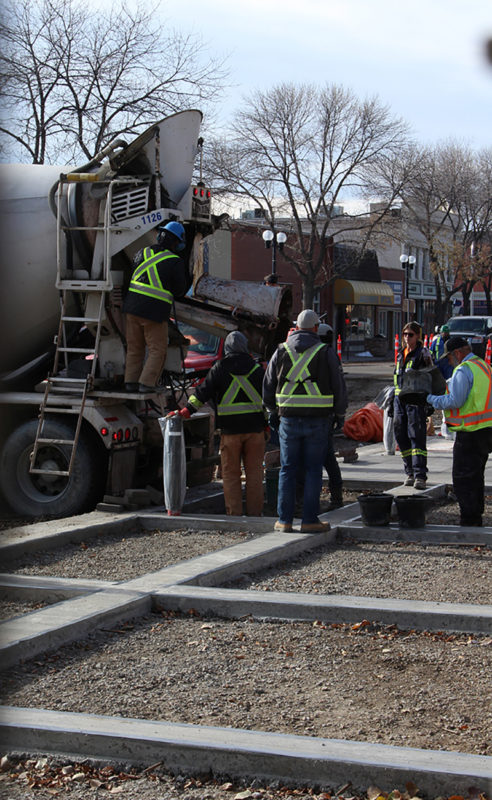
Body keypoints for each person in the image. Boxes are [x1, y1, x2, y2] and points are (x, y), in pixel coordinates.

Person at [263, 309, 347, 533]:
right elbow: (338, 385)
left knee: (287, 469)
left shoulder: (281, 351)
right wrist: (340, 414)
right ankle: (310, 520)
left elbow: (268, 384)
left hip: (288, 420)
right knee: (312, 469)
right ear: (316, 328)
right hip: (318, 420)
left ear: (296, 327)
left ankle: (284, 520)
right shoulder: (325, 352)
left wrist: (272, 410)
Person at [169, 331, 267, 517]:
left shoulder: (220, 368)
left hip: (230, 432)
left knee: (231, 475)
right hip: (255, 431)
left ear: (228, 348)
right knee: (255, 475)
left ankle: (234, 514)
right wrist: (267, 425)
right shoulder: (257, 370)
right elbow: (268, 401)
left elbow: (202, 394)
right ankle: (255, 514)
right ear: (245, 347)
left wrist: (186, 411)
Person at [426, 336, 492, 526]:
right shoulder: (484, 366)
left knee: (463, 477)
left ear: (457, 353)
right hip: (486, 431)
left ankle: (469, 519)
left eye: (449, 357)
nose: (449, 361)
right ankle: (475, 514)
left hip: (470, 432)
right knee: (476, 475)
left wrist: (430, 399)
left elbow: (456, 400)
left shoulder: (464, 370)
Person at [123, 221, 189, 393]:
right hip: (154, 313)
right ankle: (146, 384)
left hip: (131, 309)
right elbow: (179, 290)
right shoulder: (175, 261)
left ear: (160, 236)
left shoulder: (141, 253)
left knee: (134, 348)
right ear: (177, 243)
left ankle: (130, 382)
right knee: (157, 350)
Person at [393, 321, 433, 490]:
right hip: (399, 402)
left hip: (415, 402)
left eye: (411, 334)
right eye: (405, 334)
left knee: (416, 437)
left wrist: (428, 402)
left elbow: (431, 377)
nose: (407, 338)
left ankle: (420, 475)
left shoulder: (422, 354)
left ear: (418, 336)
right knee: (401, 436)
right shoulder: (401, 354)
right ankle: (409, 472)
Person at [430, 324, 454, 438]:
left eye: (446, 332)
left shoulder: (450, 341)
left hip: (447, 366)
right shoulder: (437, 341)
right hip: (439, 365)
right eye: (444, 332)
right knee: (441, 385)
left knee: (449, 383)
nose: (445, 334)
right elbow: (431, 351)